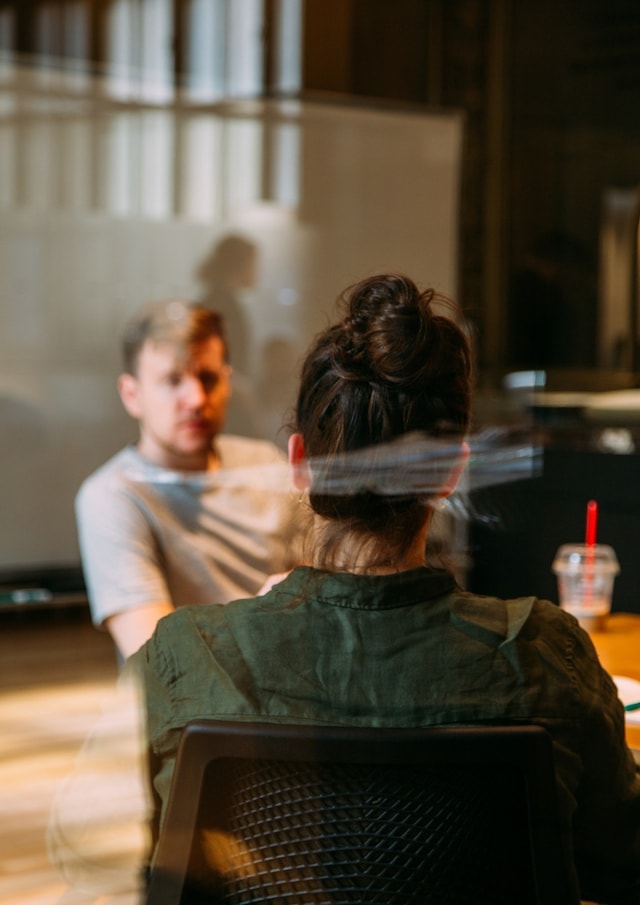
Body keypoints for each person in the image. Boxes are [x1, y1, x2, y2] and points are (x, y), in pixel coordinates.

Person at [75, 300, 302, 661]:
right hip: (193, 713)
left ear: (228, 383)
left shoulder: (266, 464)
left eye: (208, 378)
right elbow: (158, 658)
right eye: (172, 380)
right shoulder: (112, 495)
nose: (196, 399)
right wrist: (265, 614)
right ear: (132, 395)